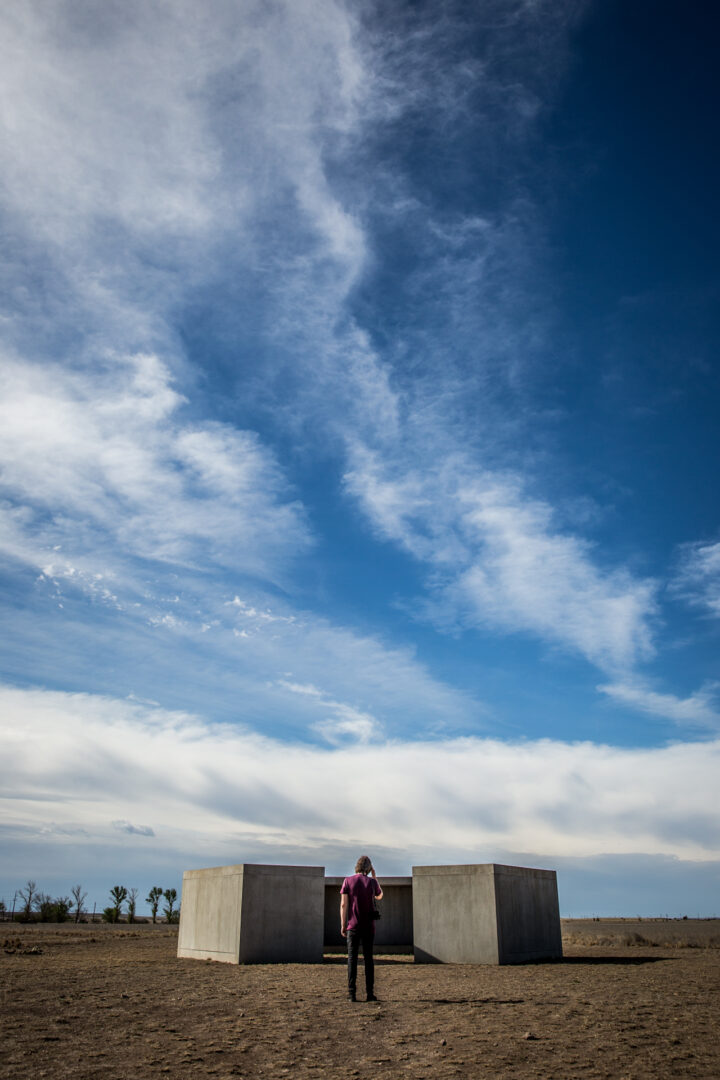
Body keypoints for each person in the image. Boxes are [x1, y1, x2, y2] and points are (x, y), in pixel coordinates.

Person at [340, 854, 383, 1002]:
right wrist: (375, 877)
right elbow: (379, 896)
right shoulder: (371, 883)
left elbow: (344, 905)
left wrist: (343, 925)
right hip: (368, 927)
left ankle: (352, 994)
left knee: (352, 959)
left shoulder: (347, 881)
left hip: (353, 926)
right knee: (368, 959)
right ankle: (370, 993)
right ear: (369, 868)